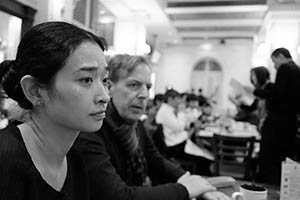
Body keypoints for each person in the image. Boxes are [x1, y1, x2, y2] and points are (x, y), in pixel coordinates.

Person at [75, 54, 230, 200]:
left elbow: (156, 160)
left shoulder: (136, 125)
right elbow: (117, 196)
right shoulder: (91, 128)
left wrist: (190, 180)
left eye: (148, 87)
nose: (144, 95)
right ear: (109, 87)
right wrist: (185, 189)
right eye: (133, 85)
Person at [0, 21, 110, 199]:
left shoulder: (75, 158)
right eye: (86, 79)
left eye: (105, 80)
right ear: (34, 90)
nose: (105, 96)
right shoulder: (5, 159)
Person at [255, 48, 300, 185]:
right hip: (291, 122)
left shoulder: (285, 68)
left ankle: (264, 186)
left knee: (268, 158)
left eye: (274, 61)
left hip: (277, 122)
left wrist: (258, 92)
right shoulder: (297, 69)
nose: (274, 66)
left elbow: (278, 95)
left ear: (280, 56)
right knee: (283, 158)